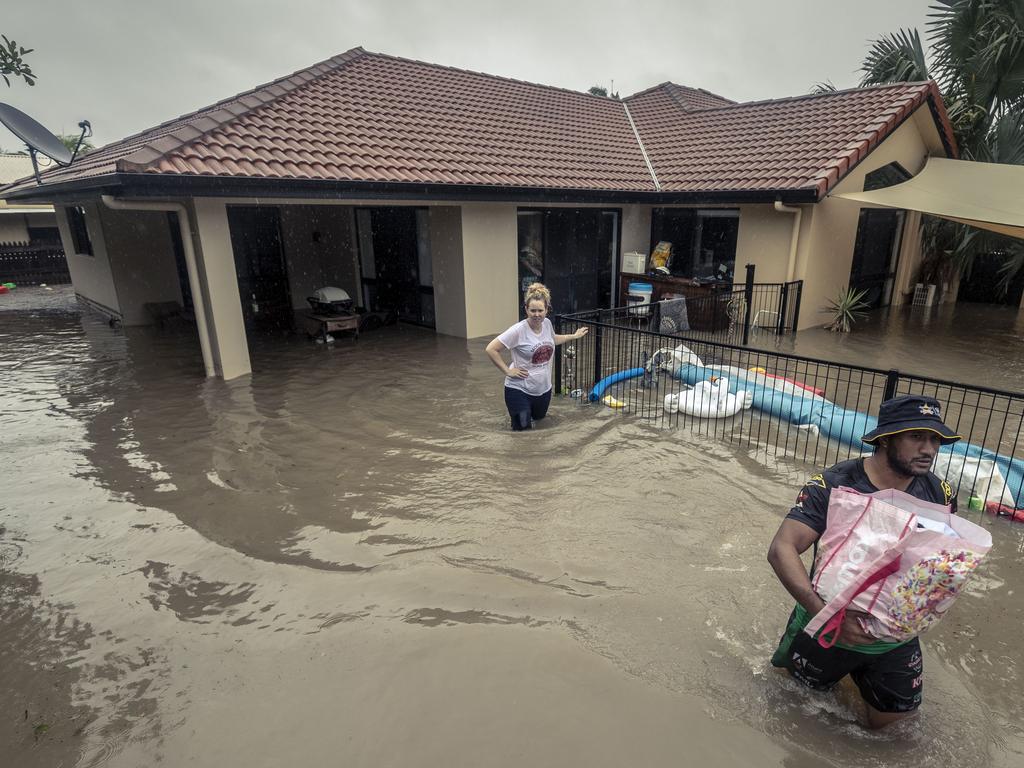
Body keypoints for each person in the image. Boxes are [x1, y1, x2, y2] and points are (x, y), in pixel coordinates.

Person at [767, 394, 961, 729]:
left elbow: (936, 565)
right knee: (795, 713)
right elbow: (781, 548)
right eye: (916, 437)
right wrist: (825, 615)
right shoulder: (834, 484)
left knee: (895, 731)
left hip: (893, 636)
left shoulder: (940, 494)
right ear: (886, 438)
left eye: (935, 439)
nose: (928, 449)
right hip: (825, 624)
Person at [485, 282, 588, 431]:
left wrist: (573, 336)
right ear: (526, 309)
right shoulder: (518, 330)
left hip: (543, 390)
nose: (537, 314)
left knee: (539, 427)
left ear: (547, 310)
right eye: (533, 310)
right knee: (523, 432)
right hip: (518, 389)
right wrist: (507, 371)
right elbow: (491, 349)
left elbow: (552, 339)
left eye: (540, 310)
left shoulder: (546, 324)